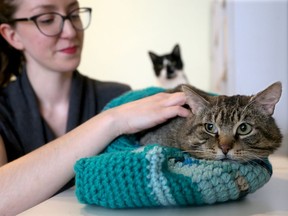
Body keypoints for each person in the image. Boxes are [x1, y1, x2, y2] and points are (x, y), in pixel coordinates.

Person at [0, 0, 190, 215]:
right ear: (12, 35)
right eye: (47, 19)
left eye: (74, 14)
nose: (71, 31)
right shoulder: (120, 114)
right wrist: (111, 122)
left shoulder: (118, 97)